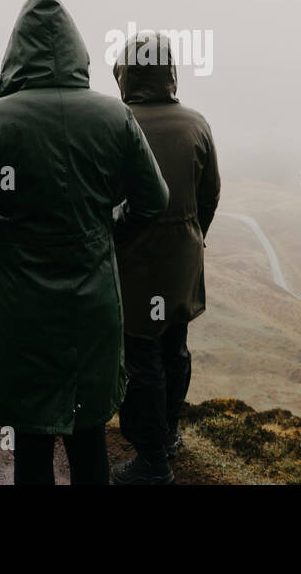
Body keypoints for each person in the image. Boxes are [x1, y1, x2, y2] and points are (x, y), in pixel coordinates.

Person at [0, 0, 169, 485]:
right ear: (76, 52)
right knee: (88, 434)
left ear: (15, 53)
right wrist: (107, 232)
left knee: (31, 439)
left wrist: (1, 233)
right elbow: (154, 200)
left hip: (21, 306)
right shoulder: (114, 116)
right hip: (92, 303)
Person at [109, 31, 220, 484]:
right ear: (169, 71)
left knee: (140, 357)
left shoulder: (117, 124)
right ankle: (170, 434)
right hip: (183, 263)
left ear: (127, 73)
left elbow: (107, 199)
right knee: (175, 348)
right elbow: (209, 195)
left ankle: (152, 459)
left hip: (134, 265)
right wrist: (191, 237)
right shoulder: (197, 124)